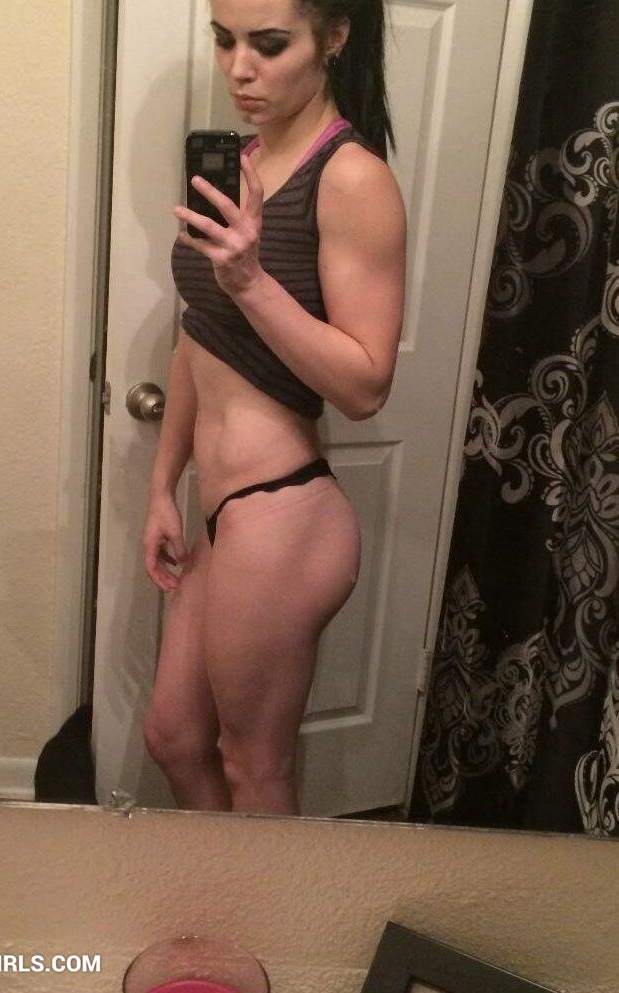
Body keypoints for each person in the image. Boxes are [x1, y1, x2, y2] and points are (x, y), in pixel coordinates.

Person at [141, 0, 406, 816]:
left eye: (268, 44)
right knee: (174, 736)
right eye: (224, 41)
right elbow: (200, 337)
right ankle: (224, 895)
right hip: (222, 510)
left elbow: (365, 385)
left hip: (283, 511)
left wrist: (250, 278)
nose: (239, 69)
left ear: (334, 36)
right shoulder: (243, 163)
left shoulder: (352, 178)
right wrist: (163, 484)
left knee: (254, 766)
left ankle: (267, 904)